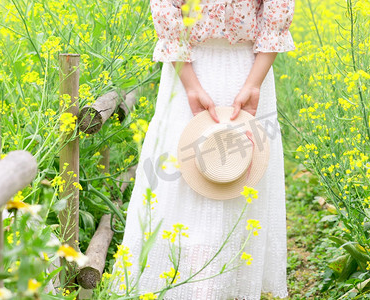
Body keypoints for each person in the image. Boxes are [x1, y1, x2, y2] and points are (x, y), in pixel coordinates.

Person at [110, 0, 295, 299]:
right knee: (182, 177)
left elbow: (277, 10)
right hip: (188, 69)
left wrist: (254, 83)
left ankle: (228, 287)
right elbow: (165, 7)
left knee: (240, 172)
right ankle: (183, 287)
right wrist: (192, 86)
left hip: (248, 67)